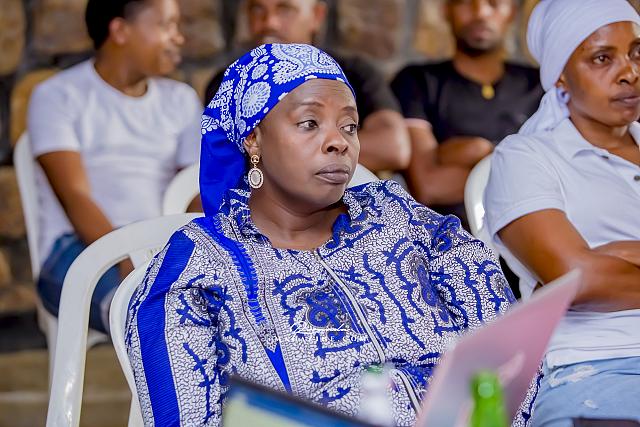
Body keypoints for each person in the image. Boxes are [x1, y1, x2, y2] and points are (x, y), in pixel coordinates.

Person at [125, 44, 528, 426]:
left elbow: (510, 354)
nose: (339, 142)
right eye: (309, 123)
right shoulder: (196, 269)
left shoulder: (402, 219)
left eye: (350, 126)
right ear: (253, 139)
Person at [484, 0, 640, 425]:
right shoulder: (526, 158)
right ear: (561, 76)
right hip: (599, 364)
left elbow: (586, 273)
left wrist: (614, 256)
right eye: (602, 58)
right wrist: (587, 270)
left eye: (637, 52)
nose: (630, 72)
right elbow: (577, 279)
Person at [27, 0, 202, 333]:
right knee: (140, 314)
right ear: (120, 31)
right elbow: (74, 196)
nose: (178, 37)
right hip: (79, 247)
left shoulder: (180, 100)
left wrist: (179, 251)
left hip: (162, 244)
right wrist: (127, 256)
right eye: (166, 25)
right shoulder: (58, 96)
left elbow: (195, 190)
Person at [204, 0, 411, 174]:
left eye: (285, 9)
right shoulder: (230, 82)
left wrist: (284, 154)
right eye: (257, 9)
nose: (269, 22)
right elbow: (225, 160)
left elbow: (392, 147)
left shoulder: (353, 73)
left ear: (317, 16)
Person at [391, 0, 543, 228]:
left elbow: (562, 176)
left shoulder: (540, 86)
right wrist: (520, 170)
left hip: (535, 235)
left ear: (511, 12)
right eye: (465, 2)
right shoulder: (417, 82)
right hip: (448, 238)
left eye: (493, 2)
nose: (480, 12)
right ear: (446, 10)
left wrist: (481, 151)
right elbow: (429, 187)